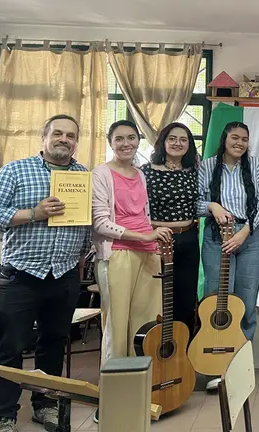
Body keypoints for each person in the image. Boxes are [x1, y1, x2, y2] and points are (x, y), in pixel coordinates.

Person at [0, 115, 91, 432]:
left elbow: (85, 225)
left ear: (76, 142)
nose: (64, 139)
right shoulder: (15, 170)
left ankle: (45, 406)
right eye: (58, 133)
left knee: (53, 344)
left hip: (64, 276)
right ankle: (2, 416)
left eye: (70, 135)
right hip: (20, 277)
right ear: (44, 137)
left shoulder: (83, 176)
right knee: (9, 349)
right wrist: (33, 213)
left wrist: (82, 256)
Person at [197, 121, 259, 390]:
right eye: (235, 138)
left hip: (252, 236)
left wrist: (245, 231)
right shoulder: (207, 166)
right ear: (224, 139)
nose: (239, 143)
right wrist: (212, 206)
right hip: (217, 236)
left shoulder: (255, 165)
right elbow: (194, 202)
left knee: (246, 301)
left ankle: (240, 365)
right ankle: (216, 363)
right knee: (217, 299)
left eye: (244, 139)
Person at [92, 120, 172, 362]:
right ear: (110, 143)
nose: (126, 143)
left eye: (131, 138)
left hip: (148, 252)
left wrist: (152, 238)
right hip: (117, 253)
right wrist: (144, 236)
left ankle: (140, 377)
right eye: (119, 139)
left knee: (145, 323)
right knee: (116, 324)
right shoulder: (100, 173)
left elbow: (143, 216)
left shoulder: (140, 174)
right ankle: (115, 380)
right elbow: (100, 223)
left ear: (138, 141)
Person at [141, 122, 200, 337]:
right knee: (156, 297)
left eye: (183, 140)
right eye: (172, 138)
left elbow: (200, 202)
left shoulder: (194, 171)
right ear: (163, 142)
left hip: (188, 239)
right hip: (157, 240)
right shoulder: (146, 172)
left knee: (185, 298)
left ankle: (181, 347)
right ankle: (155, 345)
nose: (178, 143)